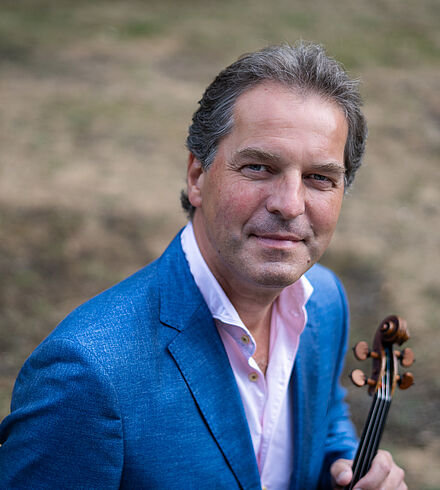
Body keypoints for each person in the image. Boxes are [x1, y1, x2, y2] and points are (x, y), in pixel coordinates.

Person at [0, 42, 406, 489]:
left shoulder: (326, 302)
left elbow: (326, 417)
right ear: (197, 176)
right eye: (258, 167)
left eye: (319, 178)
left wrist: (347, 465)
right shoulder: (87, 375)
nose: (290, 205)